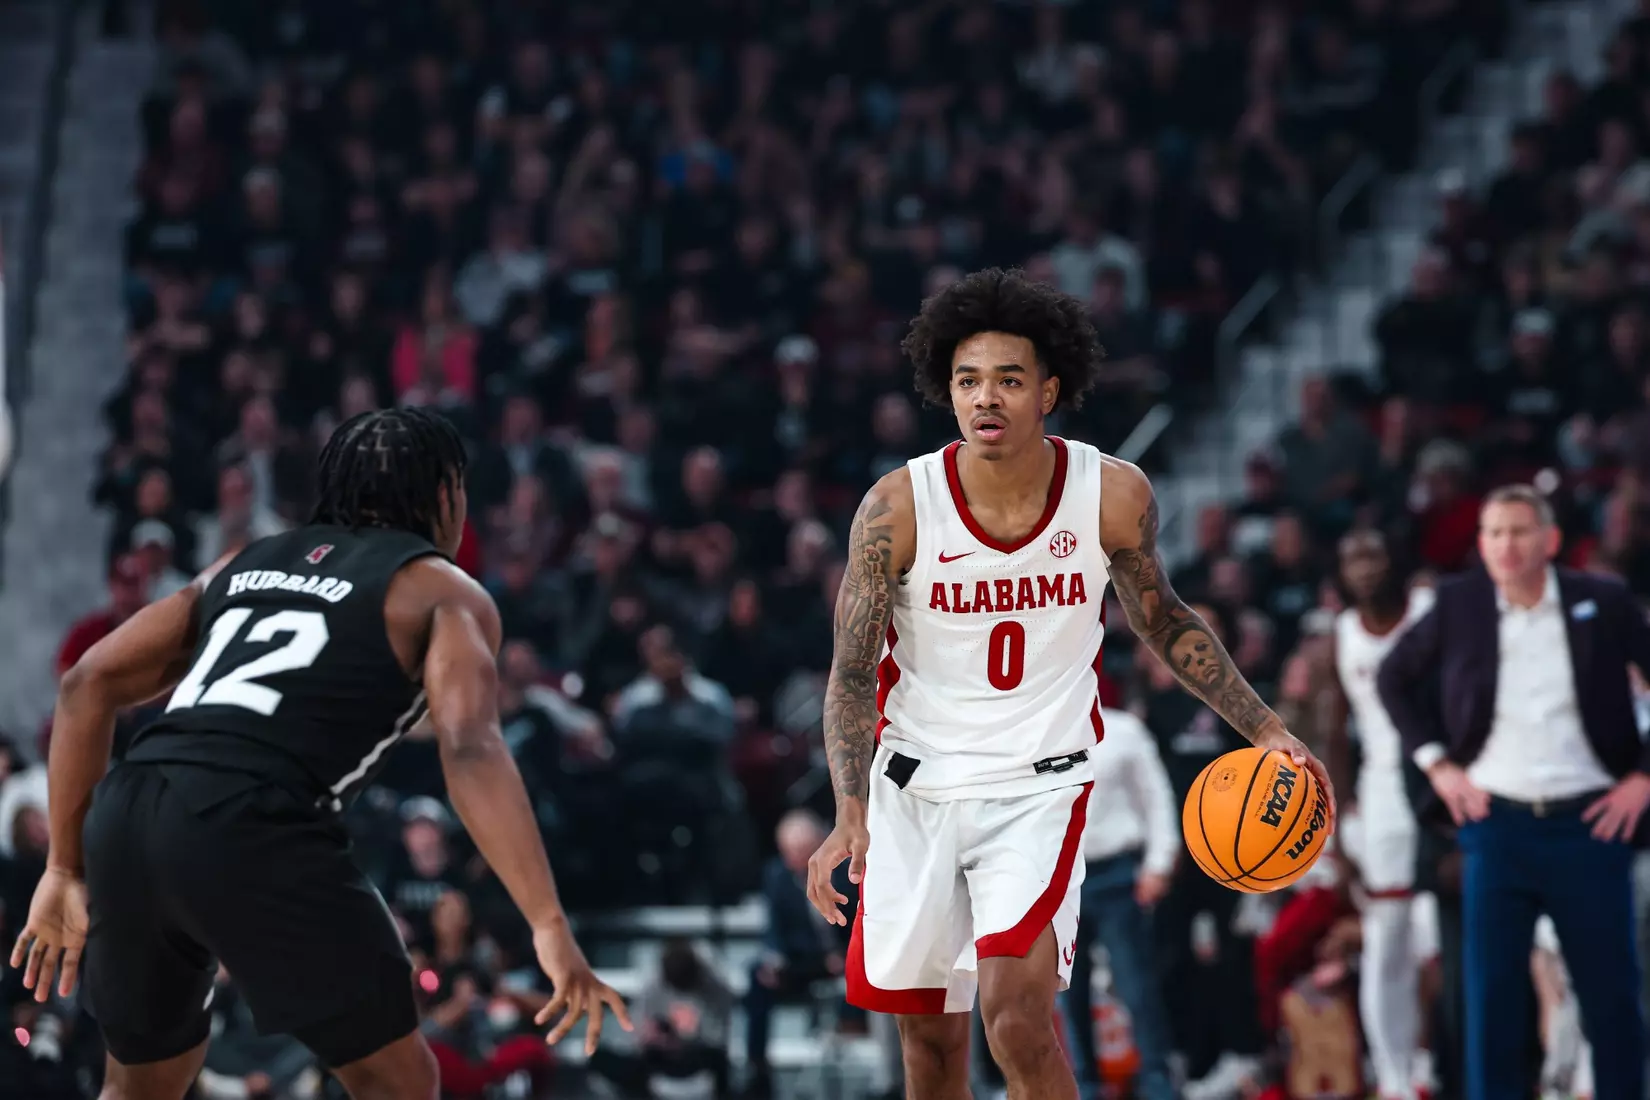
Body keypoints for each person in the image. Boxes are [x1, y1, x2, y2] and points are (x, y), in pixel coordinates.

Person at [805, 267, 1335, 1100]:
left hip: (1038, 787)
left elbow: (1164, 620)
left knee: (1015, 1018)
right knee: (930, 1051)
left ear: (1049, 389)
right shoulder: (896, 509)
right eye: (968, 380)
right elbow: (848, 672)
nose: (987, 398)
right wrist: (848, 807)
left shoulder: (1111, 494)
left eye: (1009, 380)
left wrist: (1263, 726)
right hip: (914, 784)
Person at [8, 407, 630, 1100]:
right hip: (252, 819)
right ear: (445, 494)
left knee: (141, 1084)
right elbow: (473, 750)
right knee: (398, 1082)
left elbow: (86, 683)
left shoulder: (239, 564)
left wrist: (64, 866)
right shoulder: (442, 590)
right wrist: (547, 922)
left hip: (129, 809)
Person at [1377, 483, 1650, 1100]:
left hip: (1592, 825)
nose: (1506, 544)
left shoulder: (1601, 601)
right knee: (1491, 1004)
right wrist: (1438, 765)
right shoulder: (1459, 603)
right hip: (1496, 828)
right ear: (1480, 543)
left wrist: (1642, 778)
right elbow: (1393, 677)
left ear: (1550, 540)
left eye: (1520, 531)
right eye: (1494, 532)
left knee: (1612, 1003)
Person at [1326, 529, 1435, 1100]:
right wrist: (1340, 829)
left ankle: (1433, 1063)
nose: (1364, 567)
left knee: (1443, 938)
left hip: (1448, 783)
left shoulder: (1430, 609)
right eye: (1352, 557)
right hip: (1386, 793)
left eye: (1373, 552)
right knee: (1386, 938)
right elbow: (1335, 739)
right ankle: (1395, 1080)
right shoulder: (1340, 637)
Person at [1060, 705, 1179, 1100]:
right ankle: (1084, 1085)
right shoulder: (1039, 728)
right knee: (1067, 991)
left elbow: (1157, 796)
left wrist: (1159, 862)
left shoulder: (1124, 729)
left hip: (1117, 872)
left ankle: (1158, 1083)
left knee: (1136, 985)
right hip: (1058, 879)